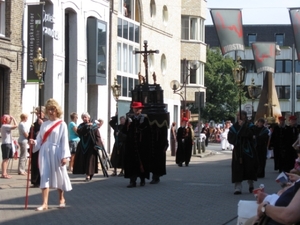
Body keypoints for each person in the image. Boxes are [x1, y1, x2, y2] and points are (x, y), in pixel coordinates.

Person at [29, 98, 72, 211]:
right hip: (44, 151)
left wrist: (65, 156)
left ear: (57, 110)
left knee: (59, 174)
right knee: (44, 175)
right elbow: (40, 139)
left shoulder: (62, 124)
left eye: (52, 109)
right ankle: (44, 203)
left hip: (56, 151)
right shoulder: (44, 124)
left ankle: (61, 198)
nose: (51, 112)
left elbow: (64, 141)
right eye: (49, 109)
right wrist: (35, 142)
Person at [121, 101, 151, 188]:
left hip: (141, 145)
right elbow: (124, 131)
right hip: (131, 145)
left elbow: (148, 131)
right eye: (134, 108)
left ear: (141, 110)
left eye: (137, 109)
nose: (136, 110)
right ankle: (132, 181)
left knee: (142, 162)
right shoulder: (130, 118)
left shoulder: (144, 118)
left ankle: (142, 179)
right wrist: (128, 125)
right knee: (131, 163)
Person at [228, 110, 258, 195]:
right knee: (237, 168)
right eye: (238, 115)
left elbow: (251, 136)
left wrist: (243, 127)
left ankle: (251, 184)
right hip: (238, 151)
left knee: (250, 167)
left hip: (248, 150)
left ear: (245, 116)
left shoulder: (250, 126)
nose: (239, 117)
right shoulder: (233, 127)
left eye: (240, 115)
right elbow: (231, 138)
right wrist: (237, 137)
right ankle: (238, 187)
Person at [73, 112, 101, 181]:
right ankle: (86, 173)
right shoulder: (81, 126)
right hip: (82, 146)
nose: (84, 118)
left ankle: (88, 175)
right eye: (83, 117)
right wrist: (86, 126)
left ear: (89, 118)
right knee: (83, 160)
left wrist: (97, 145)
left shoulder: (94, 126)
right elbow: (80, 132)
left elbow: (97, 136)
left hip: (91, 146)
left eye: (85, 117)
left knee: (90, 160)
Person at [29, 106, 47, 187]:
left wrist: (42, 125)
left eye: (40, 113)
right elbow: (31, 134)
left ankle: (43, 180)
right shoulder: (34, 123)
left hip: (44, 145)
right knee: (35, 162)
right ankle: (35, 181)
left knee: (43, 163)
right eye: (37, 114)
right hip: (36, 146)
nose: (38, 115)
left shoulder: (47, 122)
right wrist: (31, 138)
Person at [1, 115, 17, 179]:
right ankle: (4, 173)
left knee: (6, 159)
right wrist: (13, 118)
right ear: (5, 119)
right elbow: (16, 126)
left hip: (8, 143)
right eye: (9, 119)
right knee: (5, 159)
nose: (10, 120)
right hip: (6, 144)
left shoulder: (5, 126)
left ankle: (5, 173)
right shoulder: (5, 126)